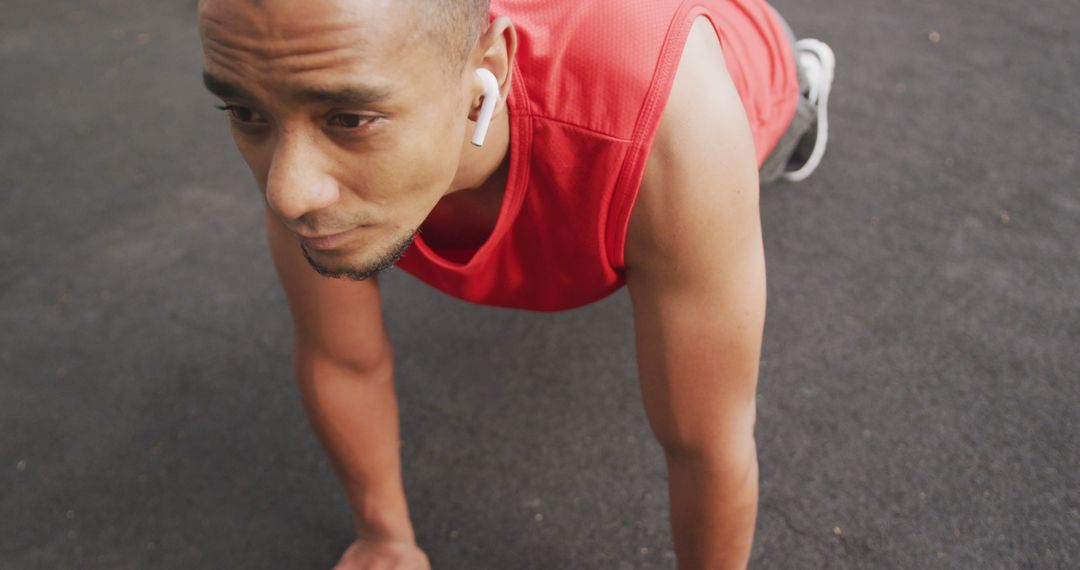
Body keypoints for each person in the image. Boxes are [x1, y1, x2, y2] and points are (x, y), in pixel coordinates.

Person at [197, 0, 834, 567]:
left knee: (762, 149)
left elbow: (707, 445)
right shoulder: (301, 103)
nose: (288, 192)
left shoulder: (671, 122)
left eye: (351, 119)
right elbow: (342, 358)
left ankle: (804, 85)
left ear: (485, 82)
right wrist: (384, 538)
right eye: (244, 112)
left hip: (741, 68)